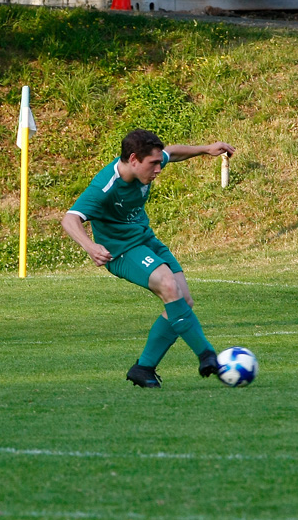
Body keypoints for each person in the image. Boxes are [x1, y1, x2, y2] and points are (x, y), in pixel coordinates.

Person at [61, 129, 234, 388]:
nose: (158, 168)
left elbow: (172, 152)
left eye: (157, 162)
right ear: (133, 160)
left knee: (183, 300)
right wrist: (90, 247)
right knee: (168, 285)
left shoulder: (149, 161)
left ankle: (144, 368)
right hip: (120, 250)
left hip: (145, 240)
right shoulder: (104, 186)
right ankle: (207, 355)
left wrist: (206, 148)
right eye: (153, 164)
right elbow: (70, 218)